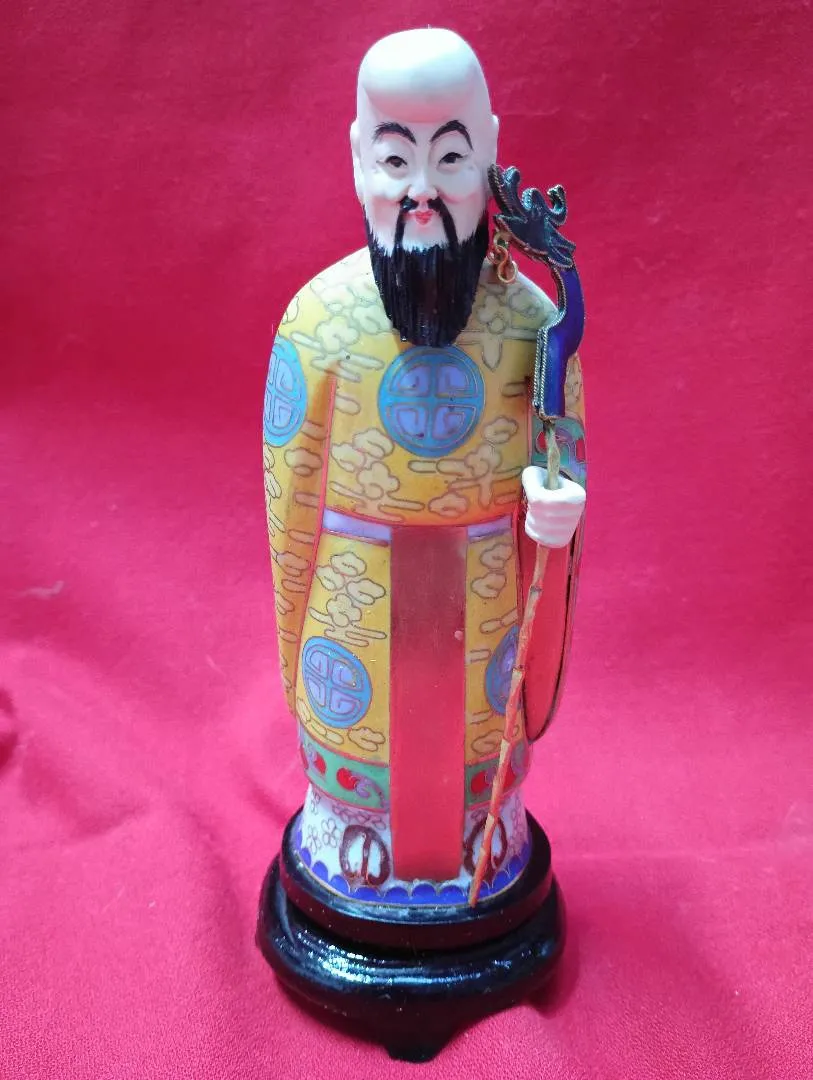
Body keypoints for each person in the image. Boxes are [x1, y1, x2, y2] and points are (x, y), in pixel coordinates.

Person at [263, 28, 586, 905]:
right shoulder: (316, 320)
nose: (420, 190)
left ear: (489, 151)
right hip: (357, 582)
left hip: (484, 579)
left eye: (448, 158)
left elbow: (564, 451)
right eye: (395, 158)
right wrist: (292, 640)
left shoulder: (534, 324)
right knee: (354, 714)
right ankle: (351, 830)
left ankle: (488, 823)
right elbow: (288, 496)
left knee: (485, 717)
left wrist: (558, 511)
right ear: (356, 158)